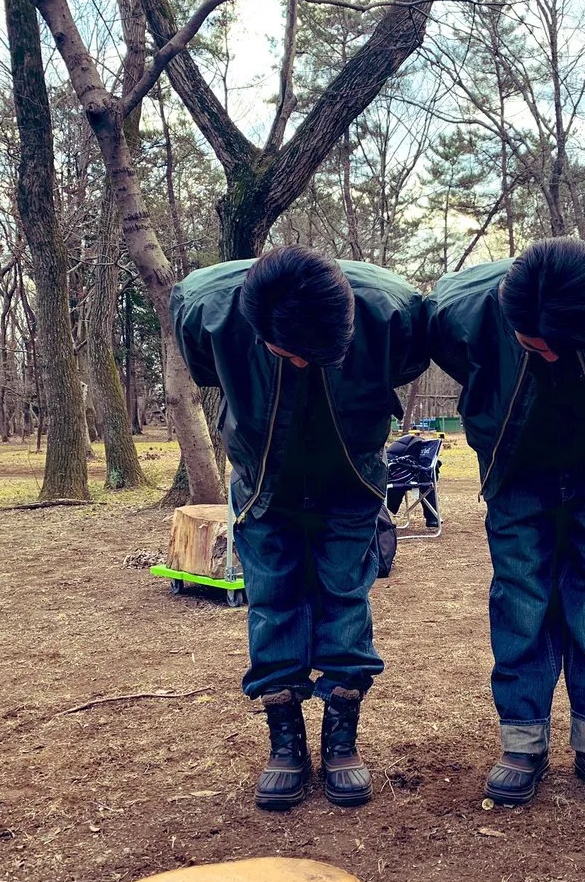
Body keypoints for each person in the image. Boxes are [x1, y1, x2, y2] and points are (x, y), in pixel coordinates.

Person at [428, 239, 585, 809]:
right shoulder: (459, 309)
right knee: (521, 597)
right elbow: (461, 364)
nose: (547, 357)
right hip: (516, 469)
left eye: (562, 349)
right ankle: (522, 743)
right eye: (533, 346)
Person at [172, 246, 426, 810]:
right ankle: (284, 742)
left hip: (351, 481)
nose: (301, 365)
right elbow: (206, 366)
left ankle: (342, 741)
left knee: (345, 597)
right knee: (272, 599)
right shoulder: (207, 307)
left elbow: (403, 366)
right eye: (286, 353)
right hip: (264, 482)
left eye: (314, 355)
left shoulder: (392, 310)